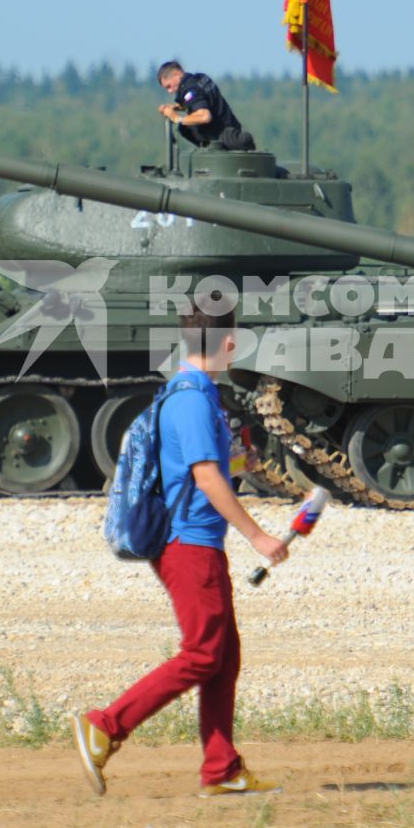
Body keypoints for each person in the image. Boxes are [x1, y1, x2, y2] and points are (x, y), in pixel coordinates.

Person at [71, 305, 290, 797]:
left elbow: (206, 467)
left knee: (223, 656)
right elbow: (204, 477)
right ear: (225, 343)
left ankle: (222, 769)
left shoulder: (195, 393)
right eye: (235, 337)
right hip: (188, 545)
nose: (237, 345)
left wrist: (240, 460)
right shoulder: (192, 400)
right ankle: (105, 725)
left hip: (196, 542)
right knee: (203, 653)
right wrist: (258, 536)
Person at [156, 60, 258, 151]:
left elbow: (204, 116)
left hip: (224, 137)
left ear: (176, 74)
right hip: (230, 126)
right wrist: (176, 107)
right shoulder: (200, 78)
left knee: (185, 128)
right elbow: (199, 100)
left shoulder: (190, 90)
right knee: (187, 126)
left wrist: (176, 118)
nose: (169, 91)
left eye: (169, 86)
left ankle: (209, 151)